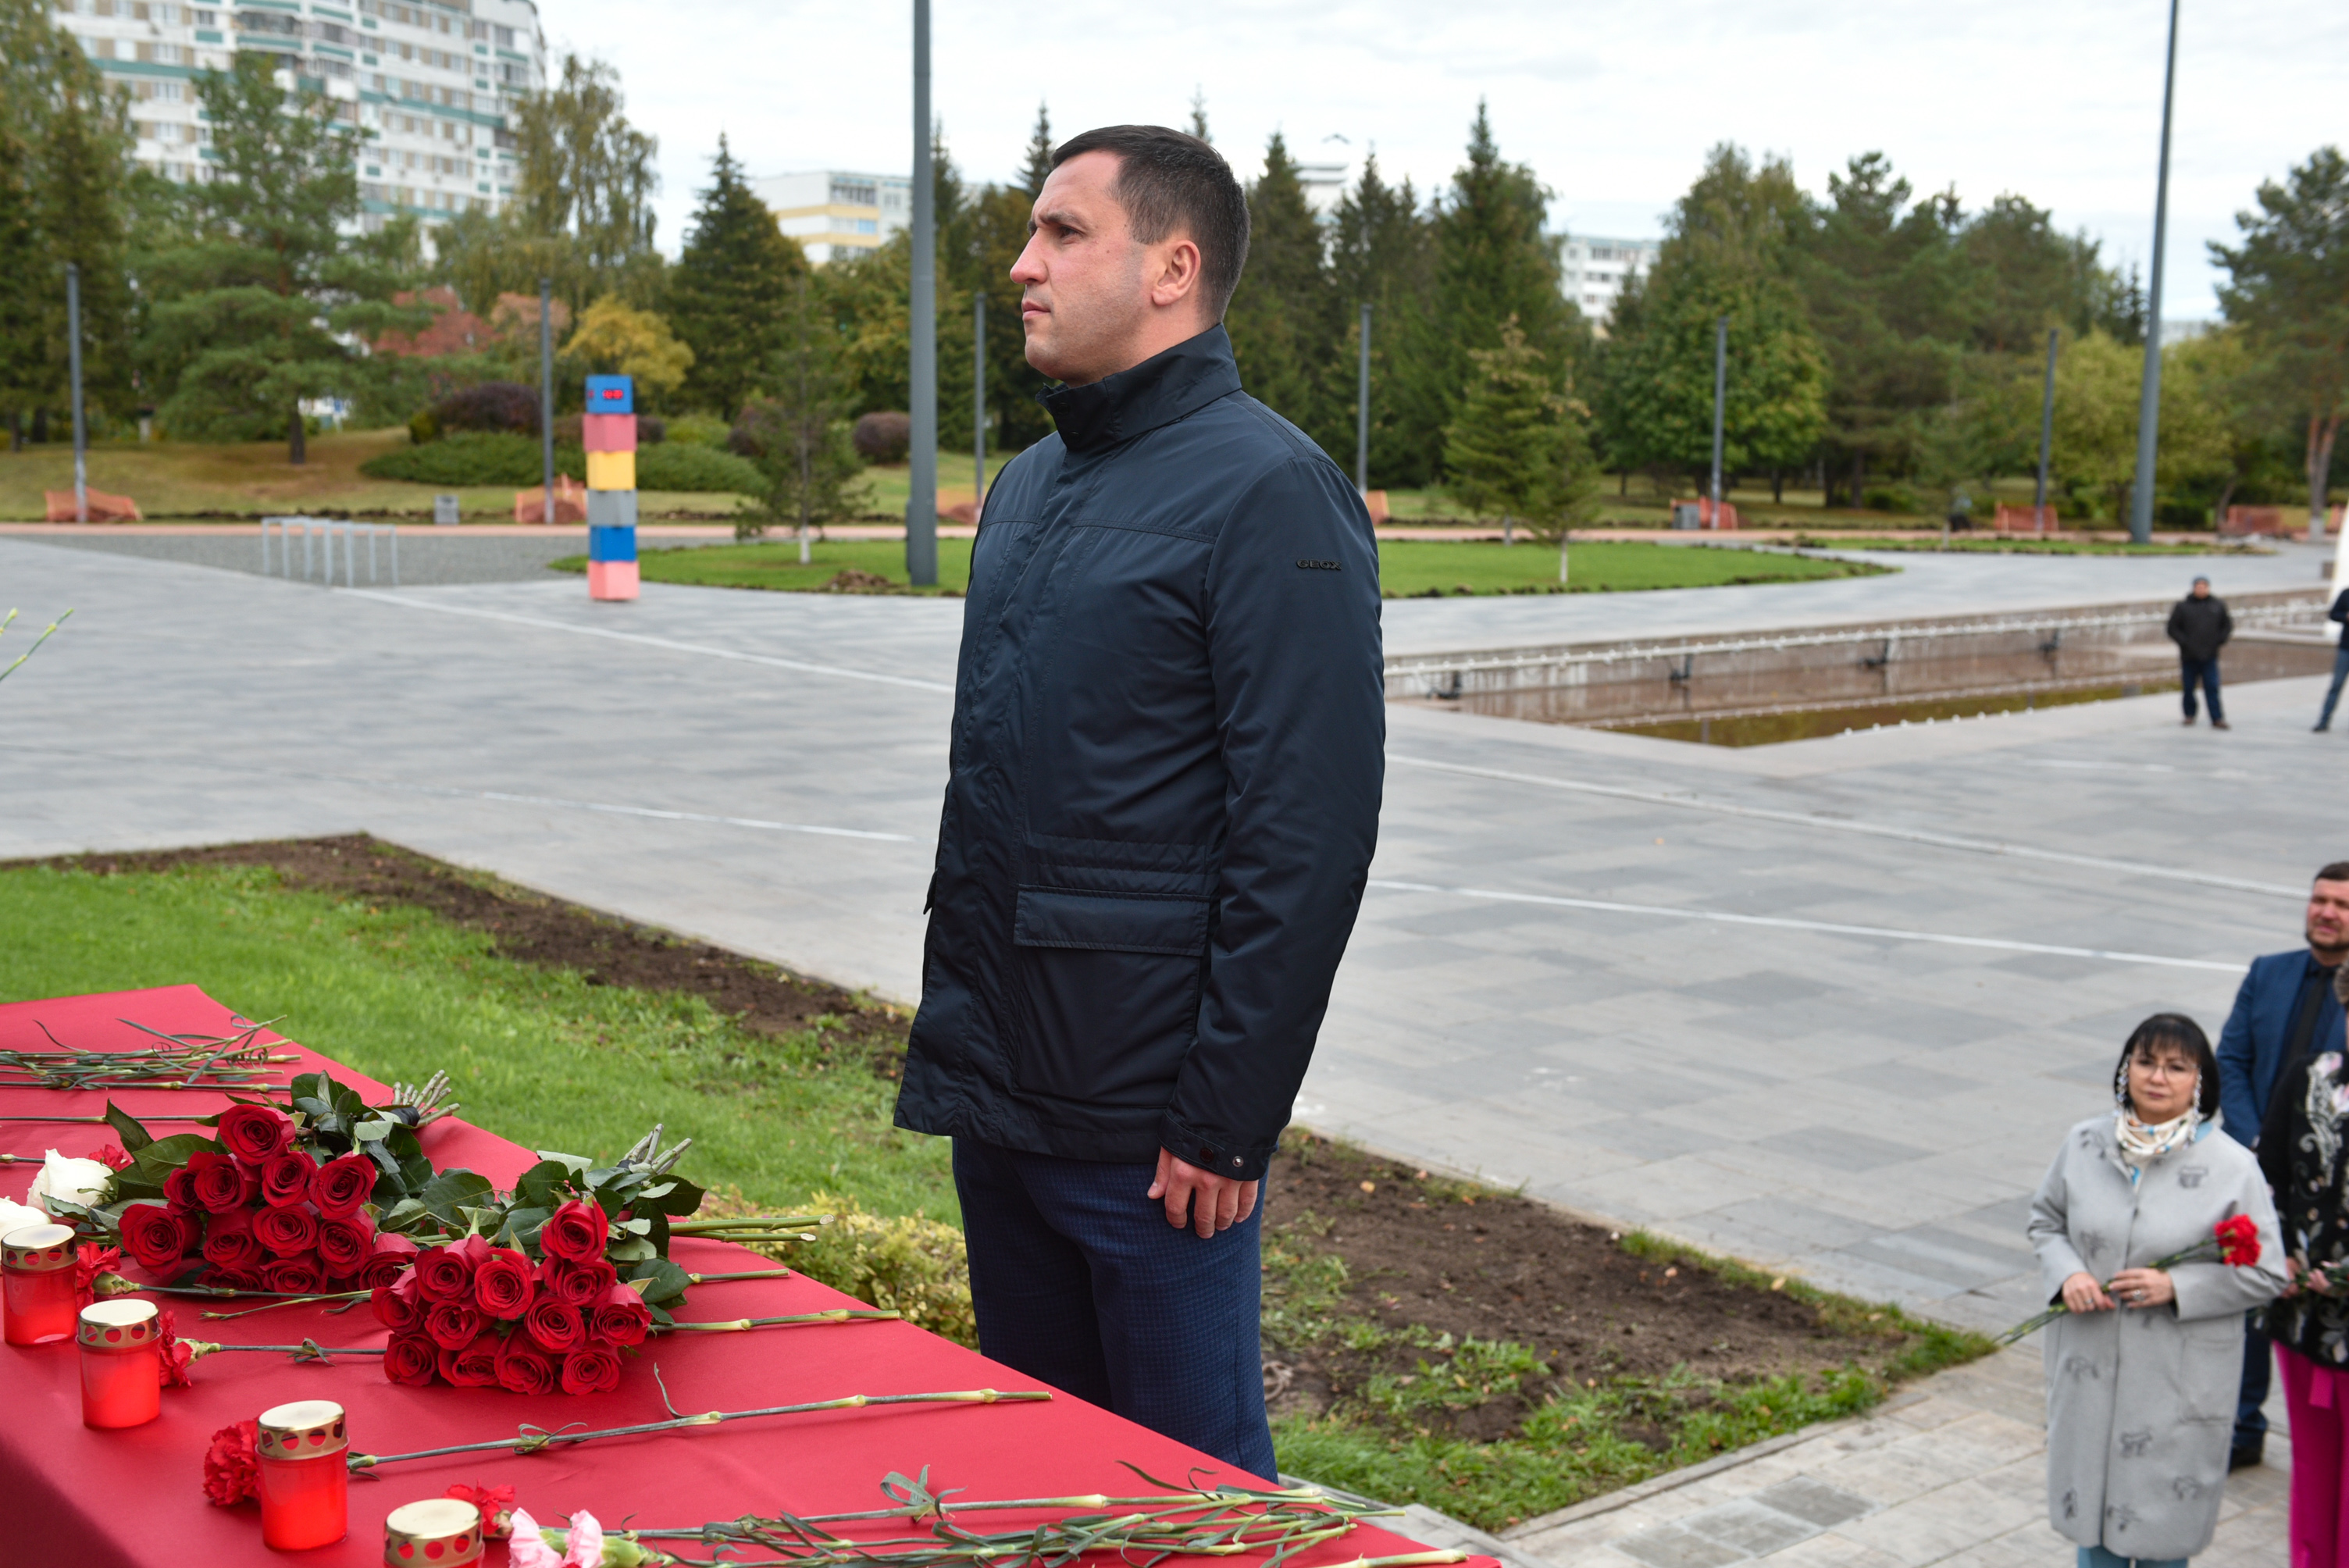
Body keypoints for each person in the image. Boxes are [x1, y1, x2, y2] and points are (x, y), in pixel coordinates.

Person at [892, 124, 1384, 1479]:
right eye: (1030, 232)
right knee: (1047, 1485)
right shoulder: (1028, 486)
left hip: (1152, 1150)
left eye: (1063, 232)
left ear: (1172, 268)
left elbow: (1306, 831)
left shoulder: (1273, 491)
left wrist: (1225, 1117)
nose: (1022, 264)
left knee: (1190, 1499)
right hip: (1003, 1104)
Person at [2027, 1014, 2285, 1568]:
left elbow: (2268, 1274)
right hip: (2090, 1364)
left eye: (2177, 1067)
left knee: (2163, 1538)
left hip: (2175, 1380)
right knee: (2092, 1532)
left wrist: (2177, 1285)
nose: (2158, 1077)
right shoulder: (2084, 1143)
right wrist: (2068, 1274)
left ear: (2200, 1081)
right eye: (2146, 1062)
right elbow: (2046, 1221)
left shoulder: (2233, 1167)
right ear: (2126, 1070)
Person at [2214, 861, 2349, 1468]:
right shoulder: (2268, 971)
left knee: (2307, 1301)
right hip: (2254, 1166)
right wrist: (2252, 1142)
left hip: (2323, 1189)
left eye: (2342, 905)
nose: (2326, 912)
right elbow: (2231, 1060)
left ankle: (2321, 1435)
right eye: (2320, 899)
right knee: (2243, 1289)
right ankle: (2242, 1426)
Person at [2256, 970, 2349, 1568]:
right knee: (2314, 1469)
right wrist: (2282, 1254)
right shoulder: (2309, 1076)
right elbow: (2266, 1177)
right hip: (2306, 1318)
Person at [2165, 577, 2231, 729]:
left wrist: (2218, 641)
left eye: (2204, 587)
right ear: (2194, 588)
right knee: (2188, 688)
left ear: (2208, 588)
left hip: (2210, 656)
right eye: (2198, 587)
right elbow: (2172, 628)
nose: (2201, 590)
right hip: (2189, 656)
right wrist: (2185, 643)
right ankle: (2189, 715)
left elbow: (2226, 626)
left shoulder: (2217, 605)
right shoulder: (2183, 606)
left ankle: (2217, 718)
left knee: (2212, 687)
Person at [2313, 581, 2349, 732]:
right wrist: (2345, 616)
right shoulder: (2346, 593)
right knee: (2336, 685)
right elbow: (2334, 614)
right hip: (2346, 648)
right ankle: (2324, 721)